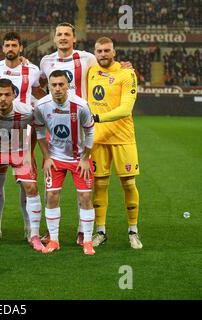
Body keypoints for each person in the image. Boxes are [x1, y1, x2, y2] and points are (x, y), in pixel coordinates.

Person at [39, 22, 132, 245]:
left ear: (74, 39)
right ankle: (52, 233)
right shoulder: (45, 61)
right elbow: (42, 85)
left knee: (85, 185)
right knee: (52, 184)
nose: (62, 38)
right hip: (56, 127)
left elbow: (106, 62)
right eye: (59, 34)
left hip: (83, 126)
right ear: (54, 39)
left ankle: (83, 231)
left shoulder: (87, 58)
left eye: (67, 35)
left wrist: (124, 66)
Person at [0, 31, 46, 243]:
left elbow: (40, 90)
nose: (11, 48)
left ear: (21, 48)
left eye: (14, 45)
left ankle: (28, 228)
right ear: (3, 48)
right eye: (7, 45)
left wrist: (45, 108)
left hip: (22, 132)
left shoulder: (32, 69)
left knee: (27, 185)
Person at [87, 37, 142, 249]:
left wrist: (97, 118)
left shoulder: (127, 74)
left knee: (128, 184)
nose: (103, 54)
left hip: (123, 138)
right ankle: (100, 231)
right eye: (99, 51)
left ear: (114, 52)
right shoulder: (91, 71)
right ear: (95, 52)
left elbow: (126, 109)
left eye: (106, 50)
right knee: (100, 185)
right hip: (98, 139)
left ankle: (133, 231)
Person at [34, 70, 96, 255]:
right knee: (52, 195)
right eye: (54, 85)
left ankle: (87, 241)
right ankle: (54, 240)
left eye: (61, 84)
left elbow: (91, 132)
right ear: (49, 87)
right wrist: (46, 157)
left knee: (85, 197)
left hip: (79, 159)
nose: (58, 88)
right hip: (56, 158)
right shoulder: (41, 106)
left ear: (68, 85)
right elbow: (39, 132)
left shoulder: (81, 106)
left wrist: (85, 158)